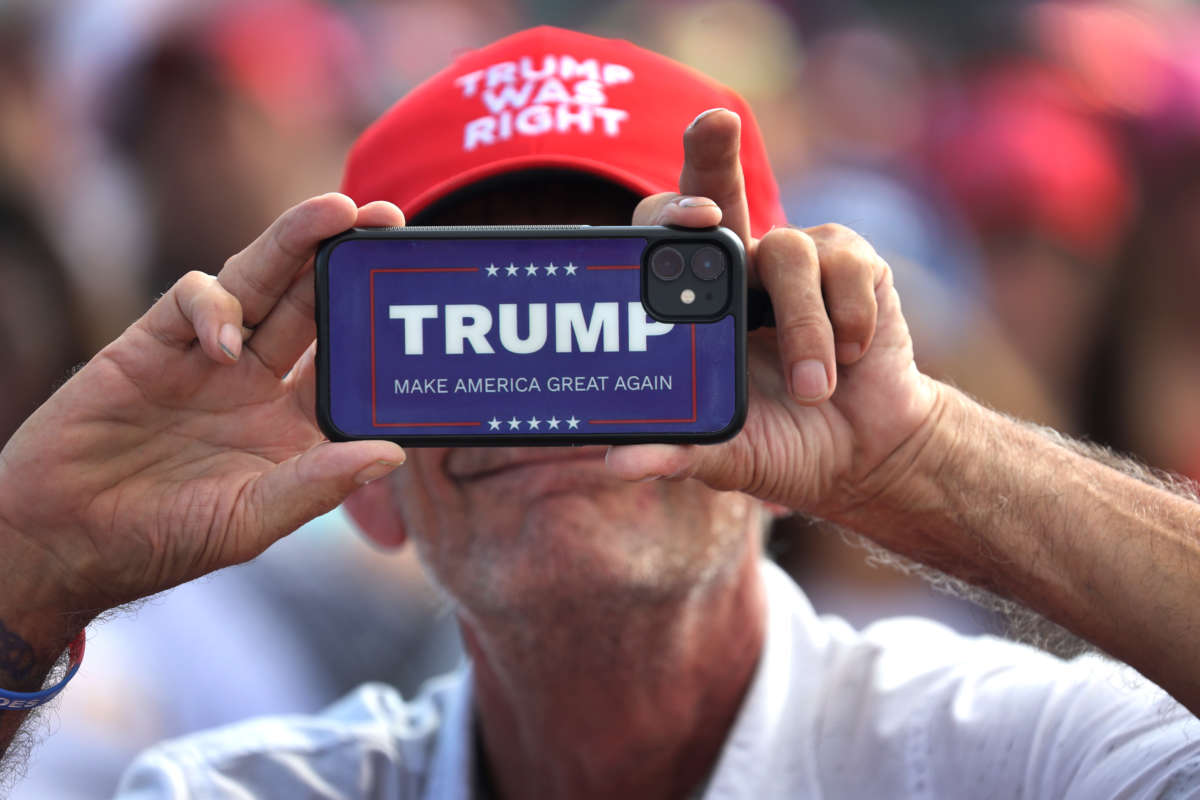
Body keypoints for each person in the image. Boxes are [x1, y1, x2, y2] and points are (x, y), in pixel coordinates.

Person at [2, 26, 1200, 798]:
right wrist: (21, 579)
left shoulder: (1017, 760)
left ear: (776, 350)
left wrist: (924, 458)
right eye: (459, 319)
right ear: (369, 479)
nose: (547, 400)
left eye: (627, 304)